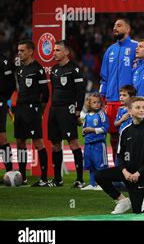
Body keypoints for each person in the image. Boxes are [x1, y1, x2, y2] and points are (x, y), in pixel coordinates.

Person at [48, 40, 86, 187]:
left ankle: (80, 179)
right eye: (54, 50)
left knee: (73, 143)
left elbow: (80, 91)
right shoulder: (54, 70)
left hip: (67, 110)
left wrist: (77, 111)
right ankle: (58, 179)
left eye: (58, 50)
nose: (55, 53)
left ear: (66, 52)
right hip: (54, 110)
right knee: (55, 144)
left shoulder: (74, 69)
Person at [100, 18, 138, 162]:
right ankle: (117, 166)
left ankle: (130, 166)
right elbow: (104, 76)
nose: (115, 27)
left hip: (128, 101)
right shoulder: (110, 50)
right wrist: (102, 97)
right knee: (113, 136)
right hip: (111, 100)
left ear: (128, 29)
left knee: (129, 135)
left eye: (119, 25)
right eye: (114, 25)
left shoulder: (136, 46)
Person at [14, 40, 50, 186]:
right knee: (20, 142)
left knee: (38, 142)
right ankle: (22, 176)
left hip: (33, 108)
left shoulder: (38, 69)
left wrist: (38, 109)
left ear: (30, 51)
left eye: (22, 51)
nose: (19, 53)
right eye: (18, 51)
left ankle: (43, 178)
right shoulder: (20, 69)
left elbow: (45, 94)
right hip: (20, 108)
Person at [81, 93, 109, 191]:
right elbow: (84, 128)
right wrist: (84, 131)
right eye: (94, 102)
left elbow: (105, 128)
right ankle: (92, 184)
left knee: (100, 165)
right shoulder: (87, 116)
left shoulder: (101, 114)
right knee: (91, 165)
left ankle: (103, 184)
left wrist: (92, 130)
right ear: (89, 104)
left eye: (98, 102)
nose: (97, 104)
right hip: (88, 144)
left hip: (98, 144)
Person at [0, 50, 15, 175]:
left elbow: (11, 85)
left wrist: (3, 98)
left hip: (0, 101)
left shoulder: (4, 61)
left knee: (1, 137)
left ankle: (9, 171)